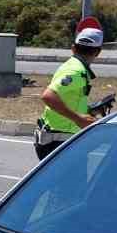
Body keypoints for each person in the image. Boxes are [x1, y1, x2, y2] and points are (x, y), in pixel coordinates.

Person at [36, 26, 106, 160]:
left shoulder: (74, 66)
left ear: (73, 48)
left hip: (62, 137)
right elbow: (48, 96)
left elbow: (68, 98)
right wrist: (78, 118)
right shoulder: (75, 71)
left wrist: (89, 111)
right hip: (59, 140)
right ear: (98, 52)